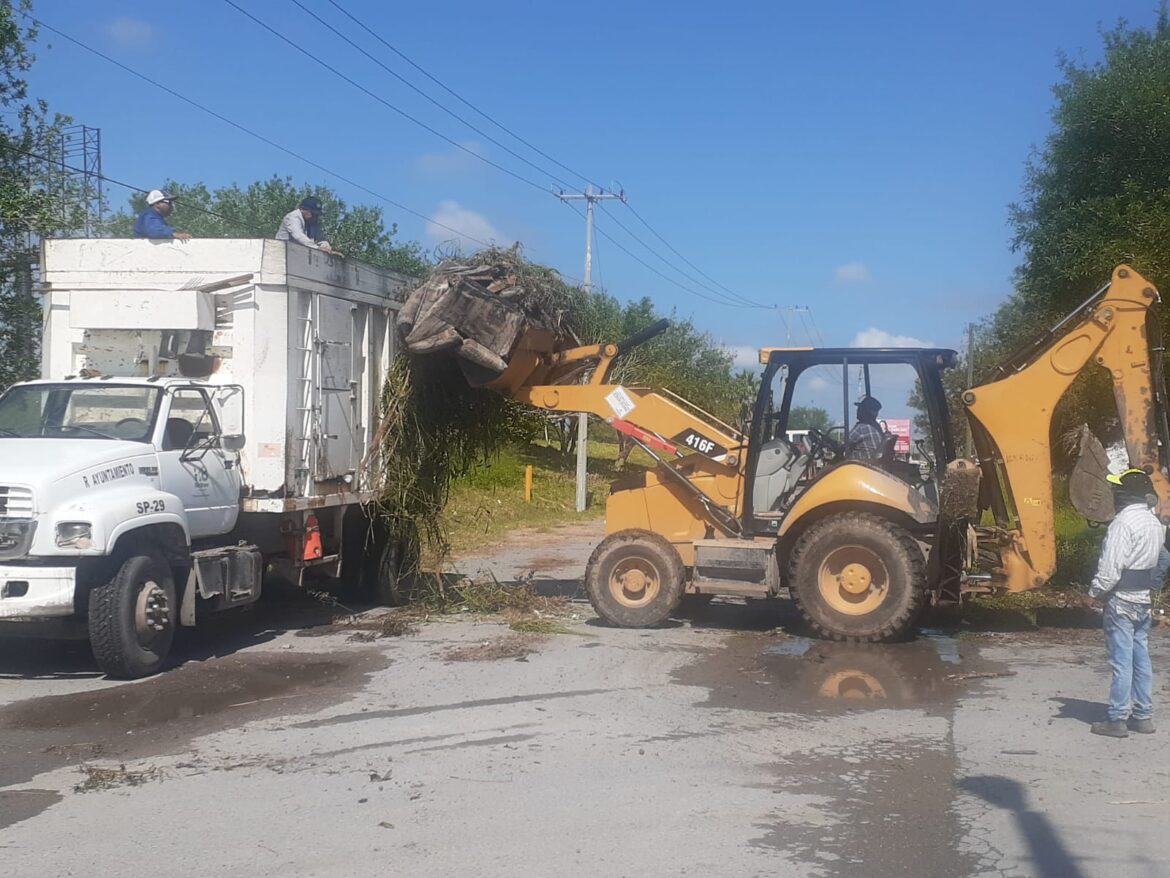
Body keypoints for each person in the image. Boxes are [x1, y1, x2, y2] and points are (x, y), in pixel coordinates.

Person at [1088, 468, 1170, 738]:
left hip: (1121, 601)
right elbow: (1160, 562)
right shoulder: (1154, 523)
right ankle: (1143, 716)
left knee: (1121, 662)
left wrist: (1094, 593)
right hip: (1143, 600)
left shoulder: (1123, 523)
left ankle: (1117, 719)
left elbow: (1111, 568)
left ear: (1123, 492)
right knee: (1141, 658)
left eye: (1116, 488)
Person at [276, 196, 341, 256]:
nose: (315, 216)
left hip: (297, 254)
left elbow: (320, 239)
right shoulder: (293, 217)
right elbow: (299, 236)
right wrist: (317, 248)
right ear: (303, 209)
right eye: (313, 213)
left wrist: (328, 249)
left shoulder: (313, 222)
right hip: (281, 252)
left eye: (317, 214)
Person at [847, 396, 885, 460]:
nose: (857, 410)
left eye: (860, 408)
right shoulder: (876, 426)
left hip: (861, 465)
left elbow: (845, 444)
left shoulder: (861, 428)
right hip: (872, 463)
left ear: (864, 411)